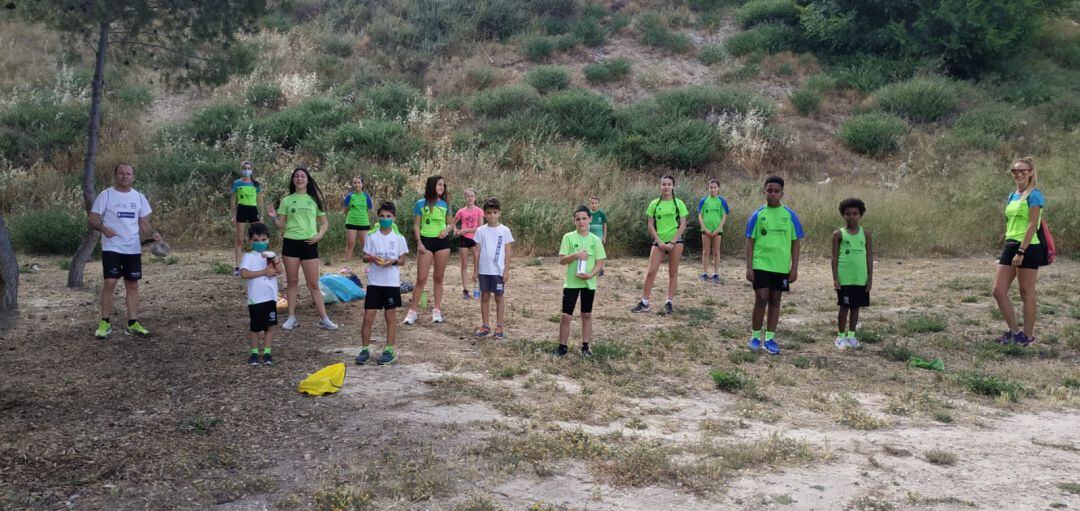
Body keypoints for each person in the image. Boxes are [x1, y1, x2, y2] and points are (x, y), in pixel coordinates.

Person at [90, 163, 161, 339]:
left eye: (128, 173)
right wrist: (103, 228)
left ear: (133, 177)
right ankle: (105, 323)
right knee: (110, 282)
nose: (124, 176)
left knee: (132, 285)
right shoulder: (106, 195)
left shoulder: (139, 197)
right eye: (121, 173)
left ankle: (133, 323)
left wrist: (153, 234)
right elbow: (91, 220)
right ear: (115, 175)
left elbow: (143, 223)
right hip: (112, 247)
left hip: (132, 249)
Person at [267, 167, 338, 331]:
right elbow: (280, 225)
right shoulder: (286, 200)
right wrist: (273, 217)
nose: (299, 178)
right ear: (293, 180)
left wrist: (319, 236)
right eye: (296, 176)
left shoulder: (314, 200)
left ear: (307, 180)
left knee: (313, 284)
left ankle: (324, 318)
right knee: (292, 282)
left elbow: (324, 223)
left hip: (309, 244)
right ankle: (292, 318)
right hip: (291, 243)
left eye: (302, 176)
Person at [745, 176, 804, 355]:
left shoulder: (790, 216)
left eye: (776, 191)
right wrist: (749, 267)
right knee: (761, 298)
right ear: (764, 192)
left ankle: (770, 339)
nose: (772, 194)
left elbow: (795, 243)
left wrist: (794, 268)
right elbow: (750, 242)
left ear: (782, 194)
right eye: (769, 190)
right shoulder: (757, 215)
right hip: (761, 264)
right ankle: (755, 336)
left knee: (775, 301)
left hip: (780, 267)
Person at [991, 157, 1046, 346]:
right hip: (1011, 244)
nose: (1019, 174)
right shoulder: (1012, 195)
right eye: (1015, 171)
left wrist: (1021, 250)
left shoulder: (1035, 195)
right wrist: (1008, 244)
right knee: (998, 290)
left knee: (1026, 291)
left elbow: (1033, 224)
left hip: (1029, 246)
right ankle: (1015, 332)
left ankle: (1027, 336)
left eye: (1023, 171)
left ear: (1031, 172)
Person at [356, 202, 409, 366]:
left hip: (391, 284)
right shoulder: (371, 236)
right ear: (377, 218)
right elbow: (364, 257)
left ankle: (389, 350)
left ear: (394, 218)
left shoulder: (399, 238)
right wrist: (372, 258)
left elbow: (401, 260)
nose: (385, 219)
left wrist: (392, 262)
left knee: (390, 317)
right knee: (368, 316)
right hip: (374, 283)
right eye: (382, 216)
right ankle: (365, 349)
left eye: (388, 216)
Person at [631, 175, 688, 315]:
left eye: (668, 184)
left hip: (675, 242)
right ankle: (644, 303)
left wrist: (673, 242)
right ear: (660, 186)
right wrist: (659, 241)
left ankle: (669, 302)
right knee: (651, 272)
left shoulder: (678, 203)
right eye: (663, 184)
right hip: (659, 242)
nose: (666, 187)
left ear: (673, 186)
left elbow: (683, 225)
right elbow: (650, 226)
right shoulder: (654, 204)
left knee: (673, 272)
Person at [557, 206, 606, 357]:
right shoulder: (568, 237)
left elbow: (600, 262)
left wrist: (590, 275)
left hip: (588, 284)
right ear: (574, 221)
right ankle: (562, 347)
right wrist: (576, 255)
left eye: (584, 218)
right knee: (566, 316)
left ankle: (585, 346)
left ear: (590, 219)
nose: (581, 222)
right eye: (578, 219)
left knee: (586, 315)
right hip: (572, 283)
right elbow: (562, 260)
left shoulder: (595, 240)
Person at [404, 175, 453, 325]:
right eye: (439, 185)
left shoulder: (445, 204)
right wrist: (419, 243)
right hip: (425, 243)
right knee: (421, 279)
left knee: (438, 278)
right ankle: (412, 312)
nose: (441, 188)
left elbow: (450, 224)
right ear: (432, 186)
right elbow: (416, 225)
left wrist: (446, 230)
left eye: (443, 186)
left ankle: (437, 311)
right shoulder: (420, 203)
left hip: (442, 244)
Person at [831, 198, 872, 349]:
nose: (851, 216)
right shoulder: (838, 234)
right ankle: (841, 337)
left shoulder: (866, 234)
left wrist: (869, 278)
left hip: (860, 278)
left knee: (856, 307)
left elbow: (869, 256)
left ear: (860, 215)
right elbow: (834, 257)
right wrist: (835, 277)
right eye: (848, 214)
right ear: (843, 215)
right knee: (844, 306)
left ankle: (852, 336)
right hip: (845, 279)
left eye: (855, 213)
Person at [239, 222, 282, 366]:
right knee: (255, 328)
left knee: (270, 326)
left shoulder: (271, 256)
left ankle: (267, 352)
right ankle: (254, 353)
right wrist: (264, 272)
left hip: (270, 298)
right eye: (256, 240)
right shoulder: (248, 257)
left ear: (268, 239)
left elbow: (280, 270)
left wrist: (276, 260)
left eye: (263, 240)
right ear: (250, 241)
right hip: (256, 299)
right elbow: (244, 274)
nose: (260, 243)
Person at [472, 197, 514, 339]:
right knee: (484, 297)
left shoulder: (505, 231)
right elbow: (476, 251)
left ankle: (499, 326)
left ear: (499, 213)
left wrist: (506, 270)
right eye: (489, 213)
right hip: (484, 270)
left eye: (495, 212)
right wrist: (475, 270)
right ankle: (485, 325)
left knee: (499, 297)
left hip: (498, 271)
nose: (492, 216)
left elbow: (508, 252)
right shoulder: (480, 231)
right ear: (484, 214)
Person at [231, 161, 265, 276]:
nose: (247, 170)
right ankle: (237, 266)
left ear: (252, 170)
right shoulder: (237, 183)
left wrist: (261, 215)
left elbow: (260, 200)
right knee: (240, 239)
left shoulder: (256, 184)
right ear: (241, 170)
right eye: (245, 168)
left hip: (253, 210)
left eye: (249, 168)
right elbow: (233, 200)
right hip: (241, 210)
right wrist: (233, 215)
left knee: (257, 237)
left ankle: (258, 264)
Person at [452, 188, 483, 300]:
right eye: (468, 196)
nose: (470, 198)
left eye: (472, 196)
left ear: (475, 198)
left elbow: (480, 228)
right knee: (464, 263)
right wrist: (455, 229)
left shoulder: (479, 211)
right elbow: (453, 222)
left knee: (477, 262)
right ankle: (465, 290)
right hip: (464, 239)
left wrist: (466, 230)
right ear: (465, 197)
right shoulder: (461, 211)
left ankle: (477, 288)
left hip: (475, 239)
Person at [697, 178, 730, 283]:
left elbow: (724, 216)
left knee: (716, 252)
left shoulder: (722, 201)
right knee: (706, 252)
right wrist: (705, 229)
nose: (712, 189)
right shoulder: (703, 200)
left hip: (717, 231)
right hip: (705, 231)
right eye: (711, 187)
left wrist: (718, 229)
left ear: (718, 188)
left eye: (715, 187)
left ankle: (716, 274)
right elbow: (700, 216)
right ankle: (704, 273)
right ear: (708, 188)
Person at [342, 175, 373, 271]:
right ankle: (346, 267)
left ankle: (367, 267)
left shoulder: (366, 196)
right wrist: (350, 216)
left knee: (364, 244)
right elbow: (345, 209)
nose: (357, 184)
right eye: (355, 183)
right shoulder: (350, 196)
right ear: (353, 184)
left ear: (362, 184)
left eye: (359, 182)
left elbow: (370, 209)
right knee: (350, 243)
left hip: (363, 223)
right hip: (351, 222)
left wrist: (363, 217)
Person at [588, 196, 607, 276]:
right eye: (592, 203)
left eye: (596, 203)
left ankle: (601, 270)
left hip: (599, 236)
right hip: (590, 236)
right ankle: (593, 269)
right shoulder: (588, 213)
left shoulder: (601, 213)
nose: (594, 205)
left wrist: (604, 236)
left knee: (599, 253)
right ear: (590, 204)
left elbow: (605, 225)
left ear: (598, 204)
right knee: (591, 253)